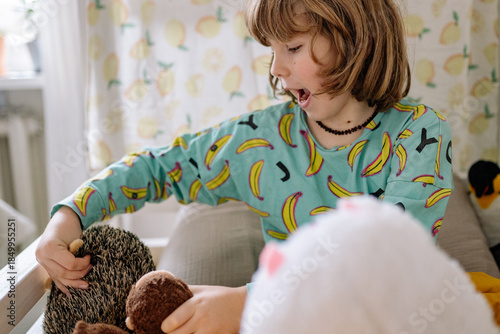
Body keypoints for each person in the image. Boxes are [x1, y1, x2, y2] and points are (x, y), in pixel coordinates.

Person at [36, 0, 453, 333]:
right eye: (272, 50)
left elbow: (390, 260)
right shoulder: (260, 141)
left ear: (356, 38)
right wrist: (68, 217)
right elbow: (159, 167)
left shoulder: (419, 134)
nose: (276, 68)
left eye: (292, 47)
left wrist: (251, 302)